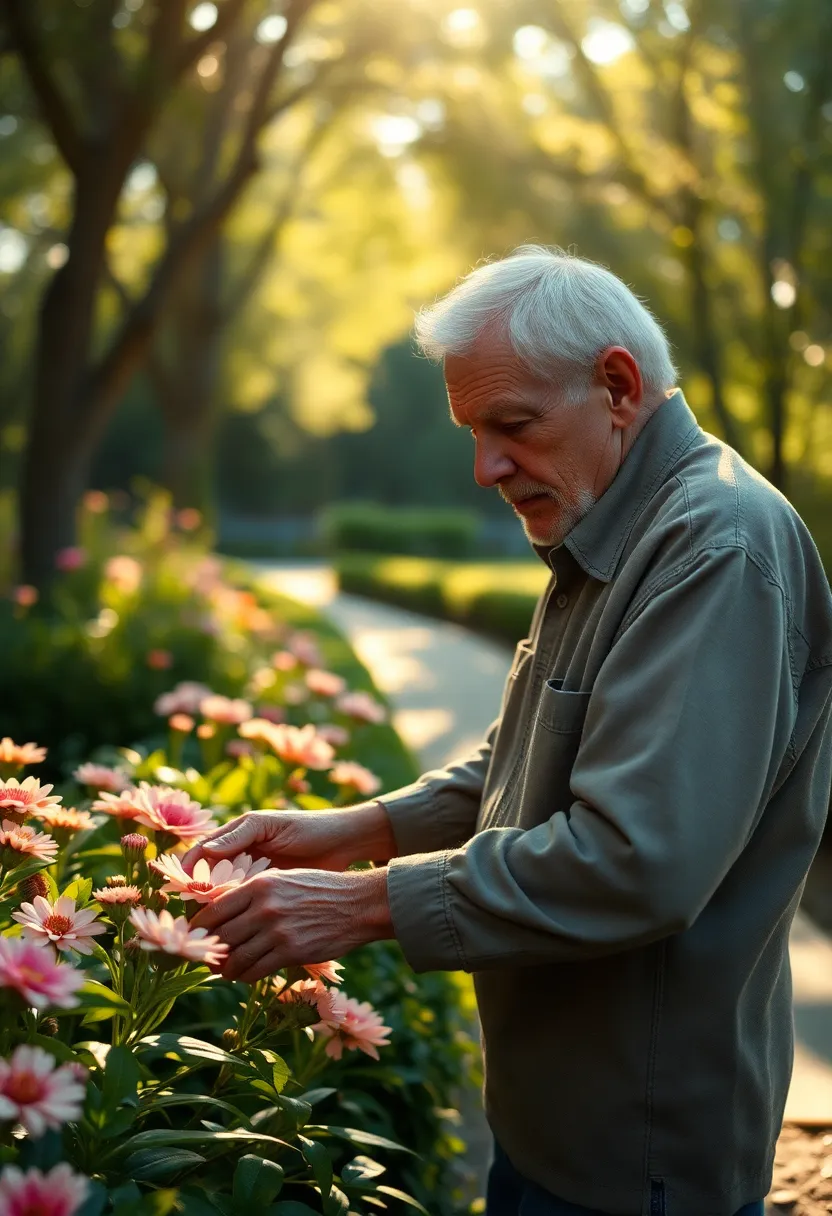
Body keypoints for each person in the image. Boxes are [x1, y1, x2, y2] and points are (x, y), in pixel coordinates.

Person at [186, 247, 832, 1216]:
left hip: (634, 1161)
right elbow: (526, 756)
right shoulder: (609, 518)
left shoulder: (714, 547)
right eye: (473, 432)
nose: (484, 467)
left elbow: (637, 857)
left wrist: (361, 906)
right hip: (558, 1128)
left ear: (616, 385)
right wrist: (361, 828)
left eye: (511, 425)